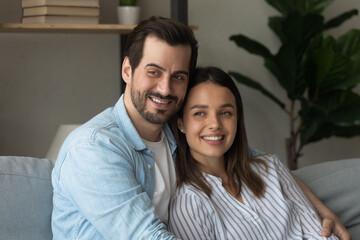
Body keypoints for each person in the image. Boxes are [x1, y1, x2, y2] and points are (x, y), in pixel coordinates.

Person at [51, 16, 349, 239]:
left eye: (178, 76)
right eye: (154, 72)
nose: (165, 88)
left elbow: (252, 159)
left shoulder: (171, 132)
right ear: (127, 69)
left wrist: (319, 208)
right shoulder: (94, 148)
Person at [169, 66, 341, 239]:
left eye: (225, 113)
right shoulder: (188, 204)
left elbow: (320, 234)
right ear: (181, 123)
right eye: (199, 113)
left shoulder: (270, 168)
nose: (215, 124)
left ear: (237, 118)